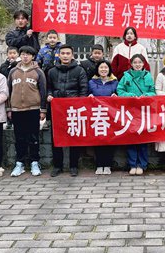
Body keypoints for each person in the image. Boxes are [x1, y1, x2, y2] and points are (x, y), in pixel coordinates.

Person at [48, 44, 89, 177]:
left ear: (72, 55)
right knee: (56, 138)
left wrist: (80, 103)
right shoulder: (52, 71)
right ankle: (57, 166)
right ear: (59, 55)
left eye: (68, 53)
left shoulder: (79, 70)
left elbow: (83, 89)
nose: (65, 56)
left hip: (73, 109)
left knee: (74, 137)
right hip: (57, 109)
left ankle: (73, 166)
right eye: (63, 53)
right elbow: (48, 87)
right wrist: (49, 95)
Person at [7, 46, 47, 177]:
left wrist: (43, 109)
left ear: (33, 57)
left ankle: (35, 162)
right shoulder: (13, 71)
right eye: (23, 54)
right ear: (20, 55)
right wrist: (9, 109)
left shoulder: (38, 72)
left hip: (33, 109)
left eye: (28, 54)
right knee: (19, 137)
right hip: (17, 109)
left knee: (33, 137)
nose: (25, 57)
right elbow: (8, 91)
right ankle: (20, 163)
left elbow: (43, 91)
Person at [116, 54, 156, 175]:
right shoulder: (126, 76)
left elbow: (153, 92)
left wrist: (146, 96)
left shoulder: (148, 76)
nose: (137, 65)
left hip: (144, 111)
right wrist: (130, 96)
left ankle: (142, 164)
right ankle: (132, 164)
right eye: (135, 62)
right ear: (131, 64)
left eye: (140, 62)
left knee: (143, 139)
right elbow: (120, 90)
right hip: (130, 111)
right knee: (131, 138)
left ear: (143, 64)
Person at [88, 60, 118, 175]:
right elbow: (86, 95)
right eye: (101, 67)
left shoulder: (115, 82)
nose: (103, 70)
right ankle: (99, 165)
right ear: (97, 69)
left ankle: (108, 165)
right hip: (97, 115)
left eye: (106, 67)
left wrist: (116, 96)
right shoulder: (91, 82)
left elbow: (119, 95)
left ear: (109, 69)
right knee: (98, 139)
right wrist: (89, 96)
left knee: (110, 140)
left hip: (110, 115)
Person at [0, 46, 19, 130]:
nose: (12, 55)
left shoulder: (21, 64)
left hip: (18, 87)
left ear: (18, 54)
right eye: (10, 53)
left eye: (14, 53)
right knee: (8, 105)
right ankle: (9, 121)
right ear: (7, 54)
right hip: (7, 87)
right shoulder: (4, 65)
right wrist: (11, 65)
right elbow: (5, 73)